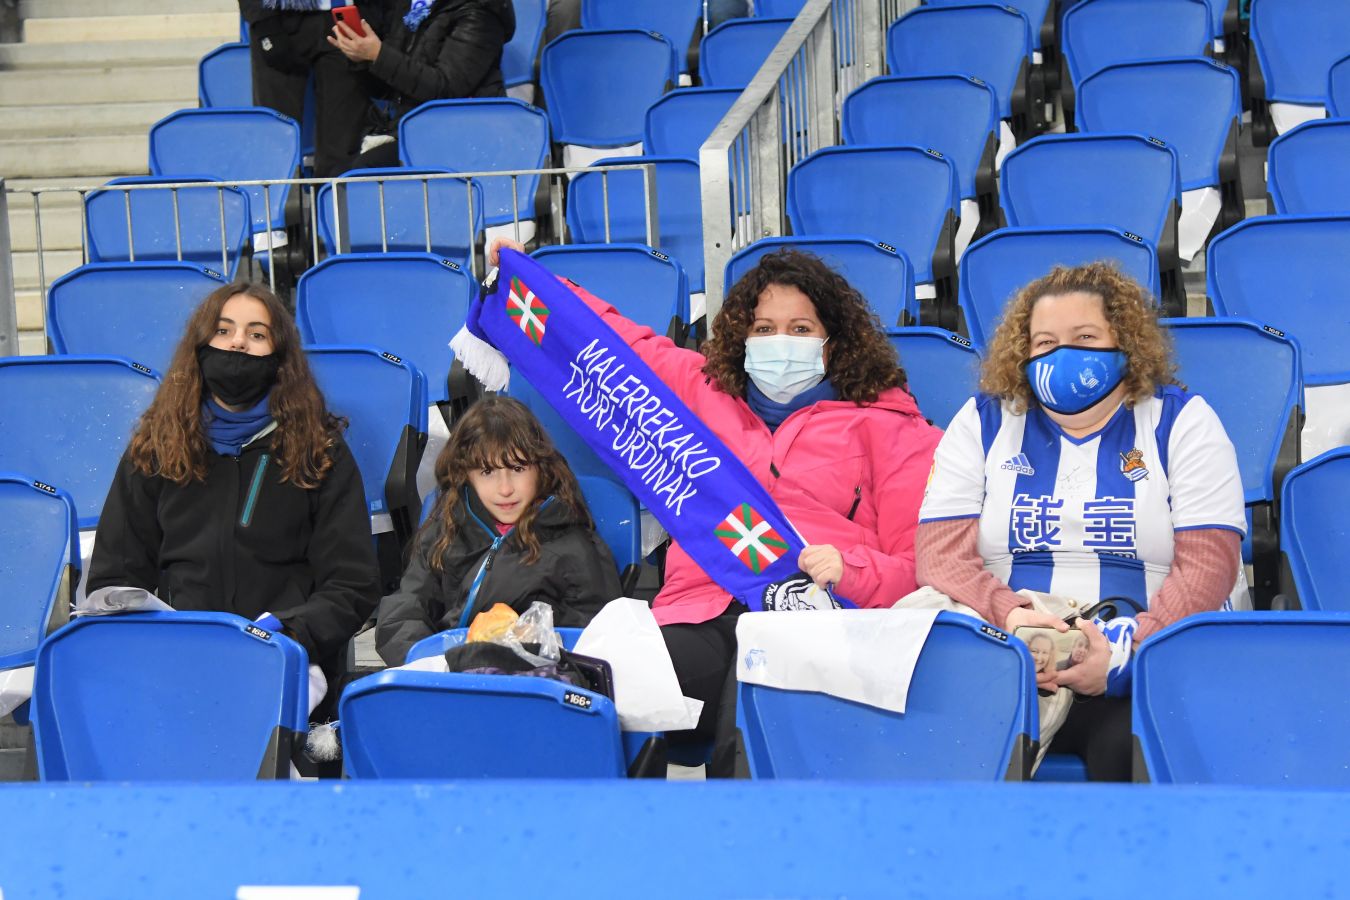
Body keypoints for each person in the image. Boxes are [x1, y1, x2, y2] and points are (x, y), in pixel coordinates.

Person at [489, 239, 943, 773]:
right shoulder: (696, 395)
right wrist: (530, 279)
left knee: (756, 689)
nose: (781, 342)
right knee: (591, 693)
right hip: (698, 613)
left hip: (821, 623)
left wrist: (851, 569)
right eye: (764, 328)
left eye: (801, 330)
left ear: (835, 343)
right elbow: (611, 345)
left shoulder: (898, 431)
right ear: (742, 338)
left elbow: (920, 571)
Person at [915, 261, 1246, 781]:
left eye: (1085, 336)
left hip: (1144, 664)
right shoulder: (981, 422)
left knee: (1133, 748)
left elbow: (1209, 566)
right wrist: (1011, 617)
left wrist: (1126, 655)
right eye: (1044, 342)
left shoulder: (1183, 421)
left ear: (1126, 343)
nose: (1062, 354)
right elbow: (939, 555)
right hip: (1006, 657)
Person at [88, 282, 382, 718]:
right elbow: (114, 575)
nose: (238, 342)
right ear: (201, 346)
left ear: (279, 357)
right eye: (223, 330)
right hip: (177, 664)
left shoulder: (321, 452)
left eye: (257, 334)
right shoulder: (155, 449)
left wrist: (293, 633)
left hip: (286, 659)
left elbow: (352, 583)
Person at [375, 396, 620, 666]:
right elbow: (405, 610)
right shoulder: (447, 525)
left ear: (540, 468)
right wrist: (429, 664)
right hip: (446, 681)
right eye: (487, 471)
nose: (505, 489)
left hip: (528, 688)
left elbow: (592, 640)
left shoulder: (572, 544)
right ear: (465, 474)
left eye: (517, 468)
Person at [328, 0, 515, 169]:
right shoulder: (410, 6)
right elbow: (389, 89)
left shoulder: (481, 11)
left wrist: (379, 55)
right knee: (356, 170)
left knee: (365, 171)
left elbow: (446, 88)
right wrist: (362, 59)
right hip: (412, 128)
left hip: (464, 132)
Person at [239, 0, 373, 178]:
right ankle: (277, 204)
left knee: (343, 145)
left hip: (345, 16)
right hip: (278, 16)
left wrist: (375, 13)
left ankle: (334, 203)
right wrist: (264, 23)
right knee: (275, 139)